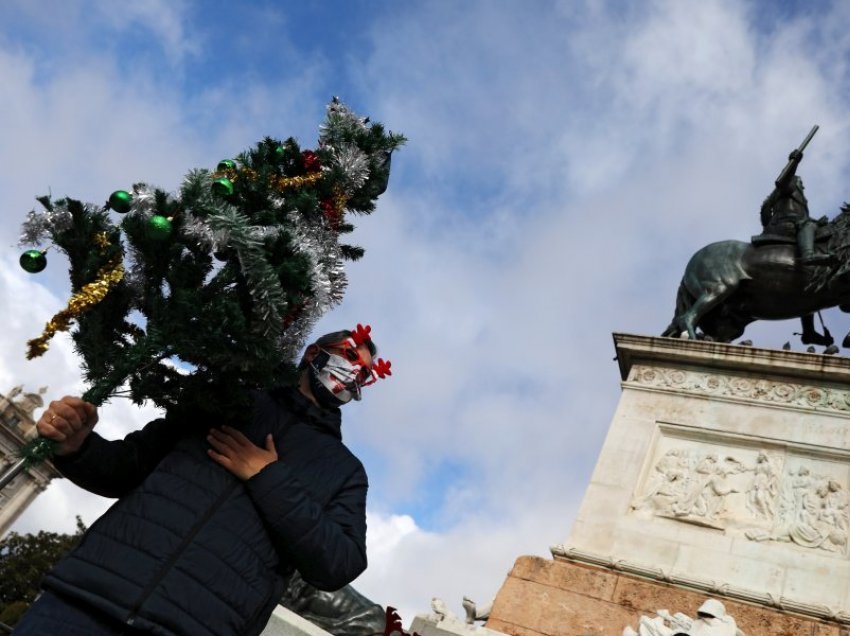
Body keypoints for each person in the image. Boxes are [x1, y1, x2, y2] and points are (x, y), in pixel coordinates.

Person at [14, 325, 391, 636]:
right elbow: (125, 468)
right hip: (82, 604)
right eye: (349, 357)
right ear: (313, 353)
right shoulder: (225, 401)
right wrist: (78, 447)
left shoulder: (344, 470)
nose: (353, 372)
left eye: (364, 372)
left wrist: (269, 478)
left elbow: (340, 563)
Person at [759, 148, 832, 265]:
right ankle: (808, 255)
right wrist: (794, 162)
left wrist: (818, 222)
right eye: (801, 183)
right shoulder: (786, 189)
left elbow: (801, 216)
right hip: (784, 224)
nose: (803, 187)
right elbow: (784, 180)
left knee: (813, 225)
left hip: (795, 222)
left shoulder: (798, 199)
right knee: (808, 225)